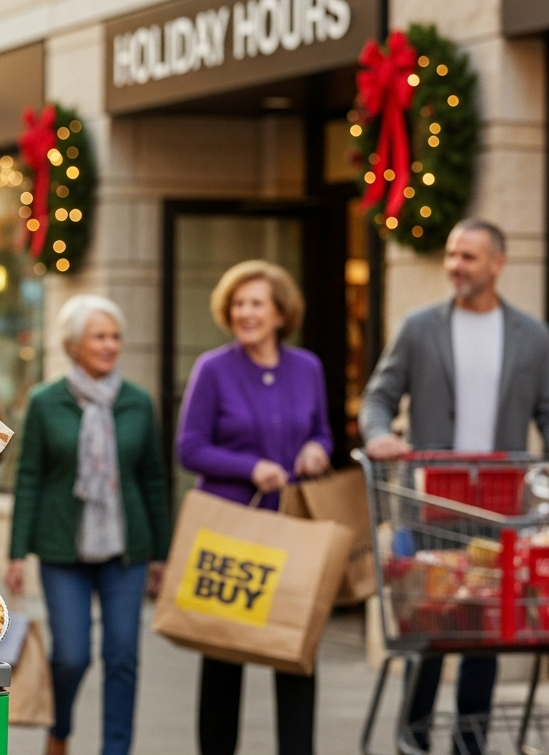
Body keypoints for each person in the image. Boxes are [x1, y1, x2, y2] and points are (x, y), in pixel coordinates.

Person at [360, 219, 549, 755]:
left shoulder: (531, 336)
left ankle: (471, 745)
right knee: (430, 629)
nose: (455, 266)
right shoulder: (420, 328)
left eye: (468, 257)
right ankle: (412, 740)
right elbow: (379, 396)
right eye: (451, 255)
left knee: (484, 632)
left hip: (499, 507)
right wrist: (377, 435)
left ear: (497, 264)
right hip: (431, 503)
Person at [176, 260, 330, 755]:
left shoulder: (308, 368)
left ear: (281, 312)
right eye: (238, 304)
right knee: (224, 654)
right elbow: (189, 447)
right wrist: (250, 468)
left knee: (297, 648)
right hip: (232, 530)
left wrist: (318, 448)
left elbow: (321, 430)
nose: (246, 312)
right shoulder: (213, 370)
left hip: (292, 531)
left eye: (256, 303)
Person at [5, 295, 169, 755]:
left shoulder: (137, 402)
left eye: (115, 336)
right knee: (71, 655)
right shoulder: (45, 401)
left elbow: (153, 479)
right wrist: (17, 552)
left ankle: (116, 749)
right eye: (99, 336)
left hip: (125, 550)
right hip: (62, 550)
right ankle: (59, 728)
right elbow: (29, 478)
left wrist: (161, 552)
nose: (110, 345)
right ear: (73, 345)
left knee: (122, 656)